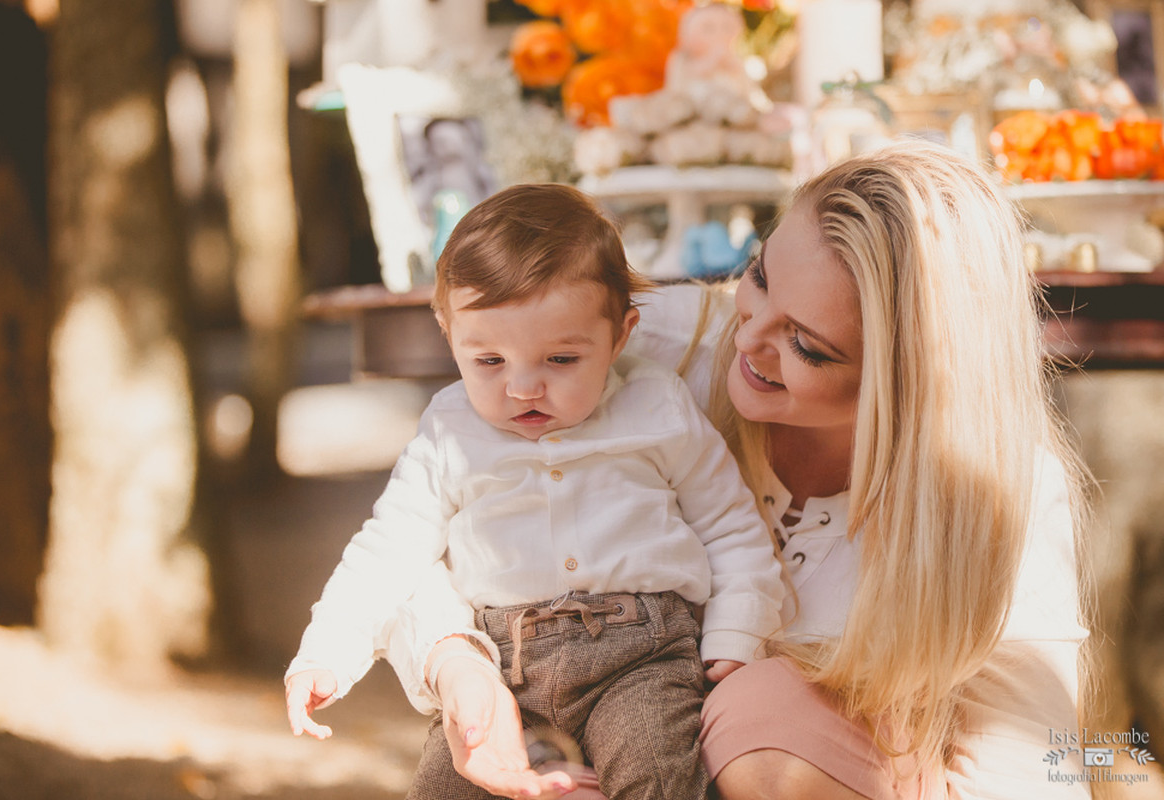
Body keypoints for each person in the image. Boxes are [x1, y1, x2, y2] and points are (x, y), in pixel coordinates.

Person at [367, 141, 1094, 800]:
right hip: (602, 746)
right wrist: (455, 660)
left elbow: (1030, 765)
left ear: (912, 383)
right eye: (760, 275)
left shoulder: (999, 491)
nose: (749, 334)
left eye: (808, 346)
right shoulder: (643, 348)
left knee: (759, 716)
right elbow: (422, 523)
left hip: (849, 779)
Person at [284, 183, 787, 799]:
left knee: (658, 774)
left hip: (639, 654)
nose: (524, 388)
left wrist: (736, 635)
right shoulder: (449, 432)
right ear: (449, 333)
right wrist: (328, 652)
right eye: (490, 361)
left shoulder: (657, 405)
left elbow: (732, 527)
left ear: (620, 335)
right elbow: (387, 549)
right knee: (443, 787)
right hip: (499, 665)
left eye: (561, 360)